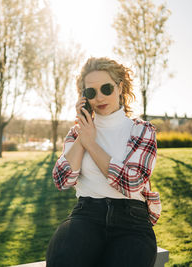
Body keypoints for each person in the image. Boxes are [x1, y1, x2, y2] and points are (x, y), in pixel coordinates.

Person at [46, 57, 162, 267]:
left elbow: (132, 183)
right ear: (83, 97)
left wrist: (92, 144)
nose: (99, 97)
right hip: (86, 215)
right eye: (91, 92)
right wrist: (84, 135)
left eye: (106, 88)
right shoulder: (78, 133)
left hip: (132, 221)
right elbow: (62, 180)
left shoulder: (142, 130)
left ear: (119, 88)